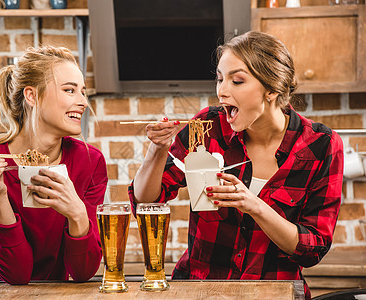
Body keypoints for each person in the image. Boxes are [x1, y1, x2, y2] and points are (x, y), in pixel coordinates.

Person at [129, 31, 343, 300]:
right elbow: (146, 201)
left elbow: (312, 248)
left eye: (237, 80)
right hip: (199, 291)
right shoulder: (208, 127)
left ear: (272, 89)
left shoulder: (321, 145)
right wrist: (157, 150)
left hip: (274, 293)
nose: (222, 90)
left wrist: (253, 205)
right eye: (220, 78)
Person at [0, 45, 108, 299]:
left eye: (82, 92)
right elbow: (14, 273)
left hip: (43, 292)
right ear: (32, 96)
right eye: (69, 90)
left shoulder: (90, 162)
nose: (82, 102)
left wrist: (78, 213)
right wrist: (0, 196)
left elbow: (83, 272)